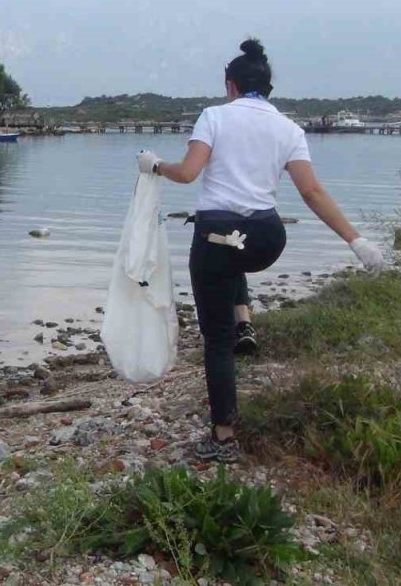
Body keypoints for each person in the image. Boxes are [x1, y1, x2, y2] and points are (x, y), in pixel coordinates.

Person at [137, 38, 383, 463]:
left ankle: (224, 436)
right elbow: (311, 191)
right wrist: (356, 241)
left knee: (216, 340)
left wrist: (156, 166)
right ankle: (244, 319)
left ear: (229, 85)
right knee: (236, 255)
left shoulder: (213, 117)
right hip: (267, 239)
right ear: (269, 88)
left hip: (217, 235)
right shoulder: (289, 129)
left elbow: (189, 173)